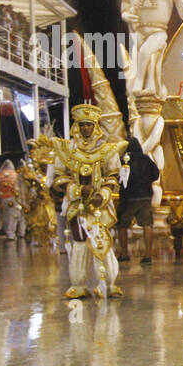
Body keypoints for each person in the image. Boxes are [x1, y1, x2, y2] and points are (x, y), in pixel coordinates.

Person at [53, 104, 127, 298]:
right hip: (77, 205)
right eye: (82, 124)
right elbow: (59, 178)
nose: (86, 128)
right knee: (79, 242)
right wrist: (76, 190)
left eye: (89, 125)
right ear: (77, 126)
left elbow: (113, 177)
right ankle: (78, 284)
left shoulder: (106, 150)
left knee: (102, 241)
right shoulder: (66, 150)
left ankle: (108, 284)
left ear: (95, 127)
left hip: (100, 205)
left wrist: (102, 194)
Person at [115, 137, 159, 266]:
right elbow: (156, 175)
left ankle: (124, 254)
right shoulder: (145, 159)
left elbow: (116, 177)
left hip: (128, 198)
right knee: (147, 224)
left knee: (122, 226)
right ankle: (148, 255)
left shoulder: (123, 160)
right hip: (145, 196)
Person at [0, 159, 21, 241]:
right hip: (13, 198)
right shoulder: (15, 175)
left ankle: (5, 230)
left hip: (2, 198)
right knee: (13, 216)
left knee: (5, 216)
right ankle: (11, 233)